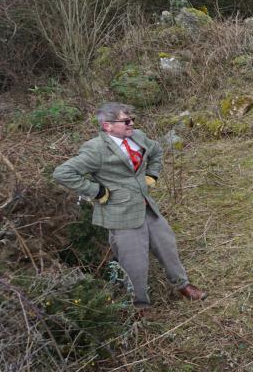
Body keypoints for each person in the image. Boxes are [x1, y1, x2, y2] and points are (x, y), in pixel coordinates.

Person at [53, 101, 206, 314]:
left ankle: (182, 285)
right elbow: (63, 173)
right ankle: (139, 305)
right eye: (126, 121)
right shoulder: (95, 149)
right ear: (108, 126)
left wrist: (152, 175)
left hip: (146, 207)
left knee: (167, 244)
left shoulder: (138, 136)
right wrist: (96, 191)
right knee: (134, 261)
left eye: (131, 119)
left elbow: (156, 151)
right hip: (120, 213)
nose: (131, 123)